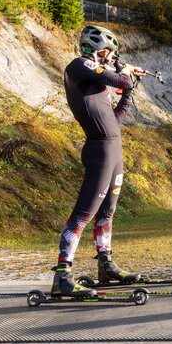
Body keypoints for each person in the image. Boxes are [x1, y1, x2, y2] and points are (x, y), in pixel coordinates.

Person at [51, 25, 144, 297]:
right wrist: (125, 76)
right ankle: (62, 275)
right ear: (100, 51)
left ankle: (105, 265)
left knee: (107, 213)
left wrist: (128, 93)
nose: (111, 59)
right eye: (109, 55)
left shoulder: (98, 85)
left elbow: (113, 122)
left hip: (114, 150)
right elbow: (121, 79)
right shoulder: (78, 66)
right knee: (83, 213)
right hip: (99, 151)